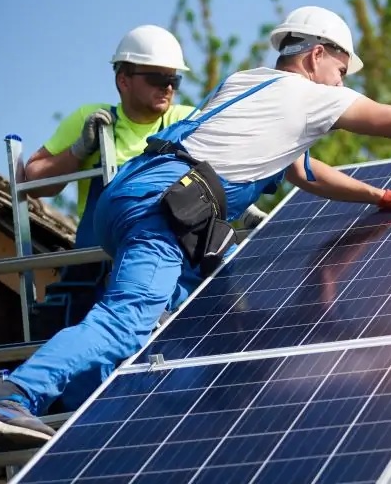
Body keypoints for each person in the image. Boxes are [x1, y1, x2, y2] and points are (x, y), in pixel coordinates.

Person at [0, 5, 391, 447]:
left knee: (188, 329)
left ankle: (102, 419)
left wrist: (380, 195)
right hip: (168, 208)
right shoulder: (309, 94)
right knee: (125, 321)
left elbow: (303, 171)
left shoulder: (247, 84)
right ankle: (12, 397)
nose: (343, 85)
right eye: (342, 71)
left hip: (134, 195)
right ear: (316, 55)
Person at [25, 25, 267, 411]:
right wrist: (77, 151)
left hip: (172, 269)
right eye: (157, 78)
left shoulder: (190, 121)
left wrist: (241, 206)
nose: (168, 88)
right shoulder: (93, 119)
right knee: (94, 392)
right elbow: (32, 182)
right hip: (100, 270)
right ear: (123, 79)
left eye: (173, 80)